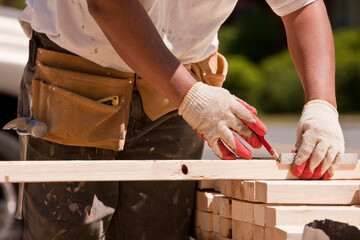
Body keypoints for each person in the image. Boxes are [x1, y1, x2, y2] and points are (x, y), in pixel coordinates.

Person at [16, 0, 344, 239]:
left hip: (180, 88)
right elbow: (109, 5)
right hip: (76, 78)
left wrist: (322, 105)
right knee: (67, 231)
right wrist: (190, 96)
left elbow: (301, 6)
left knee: (159, 230)